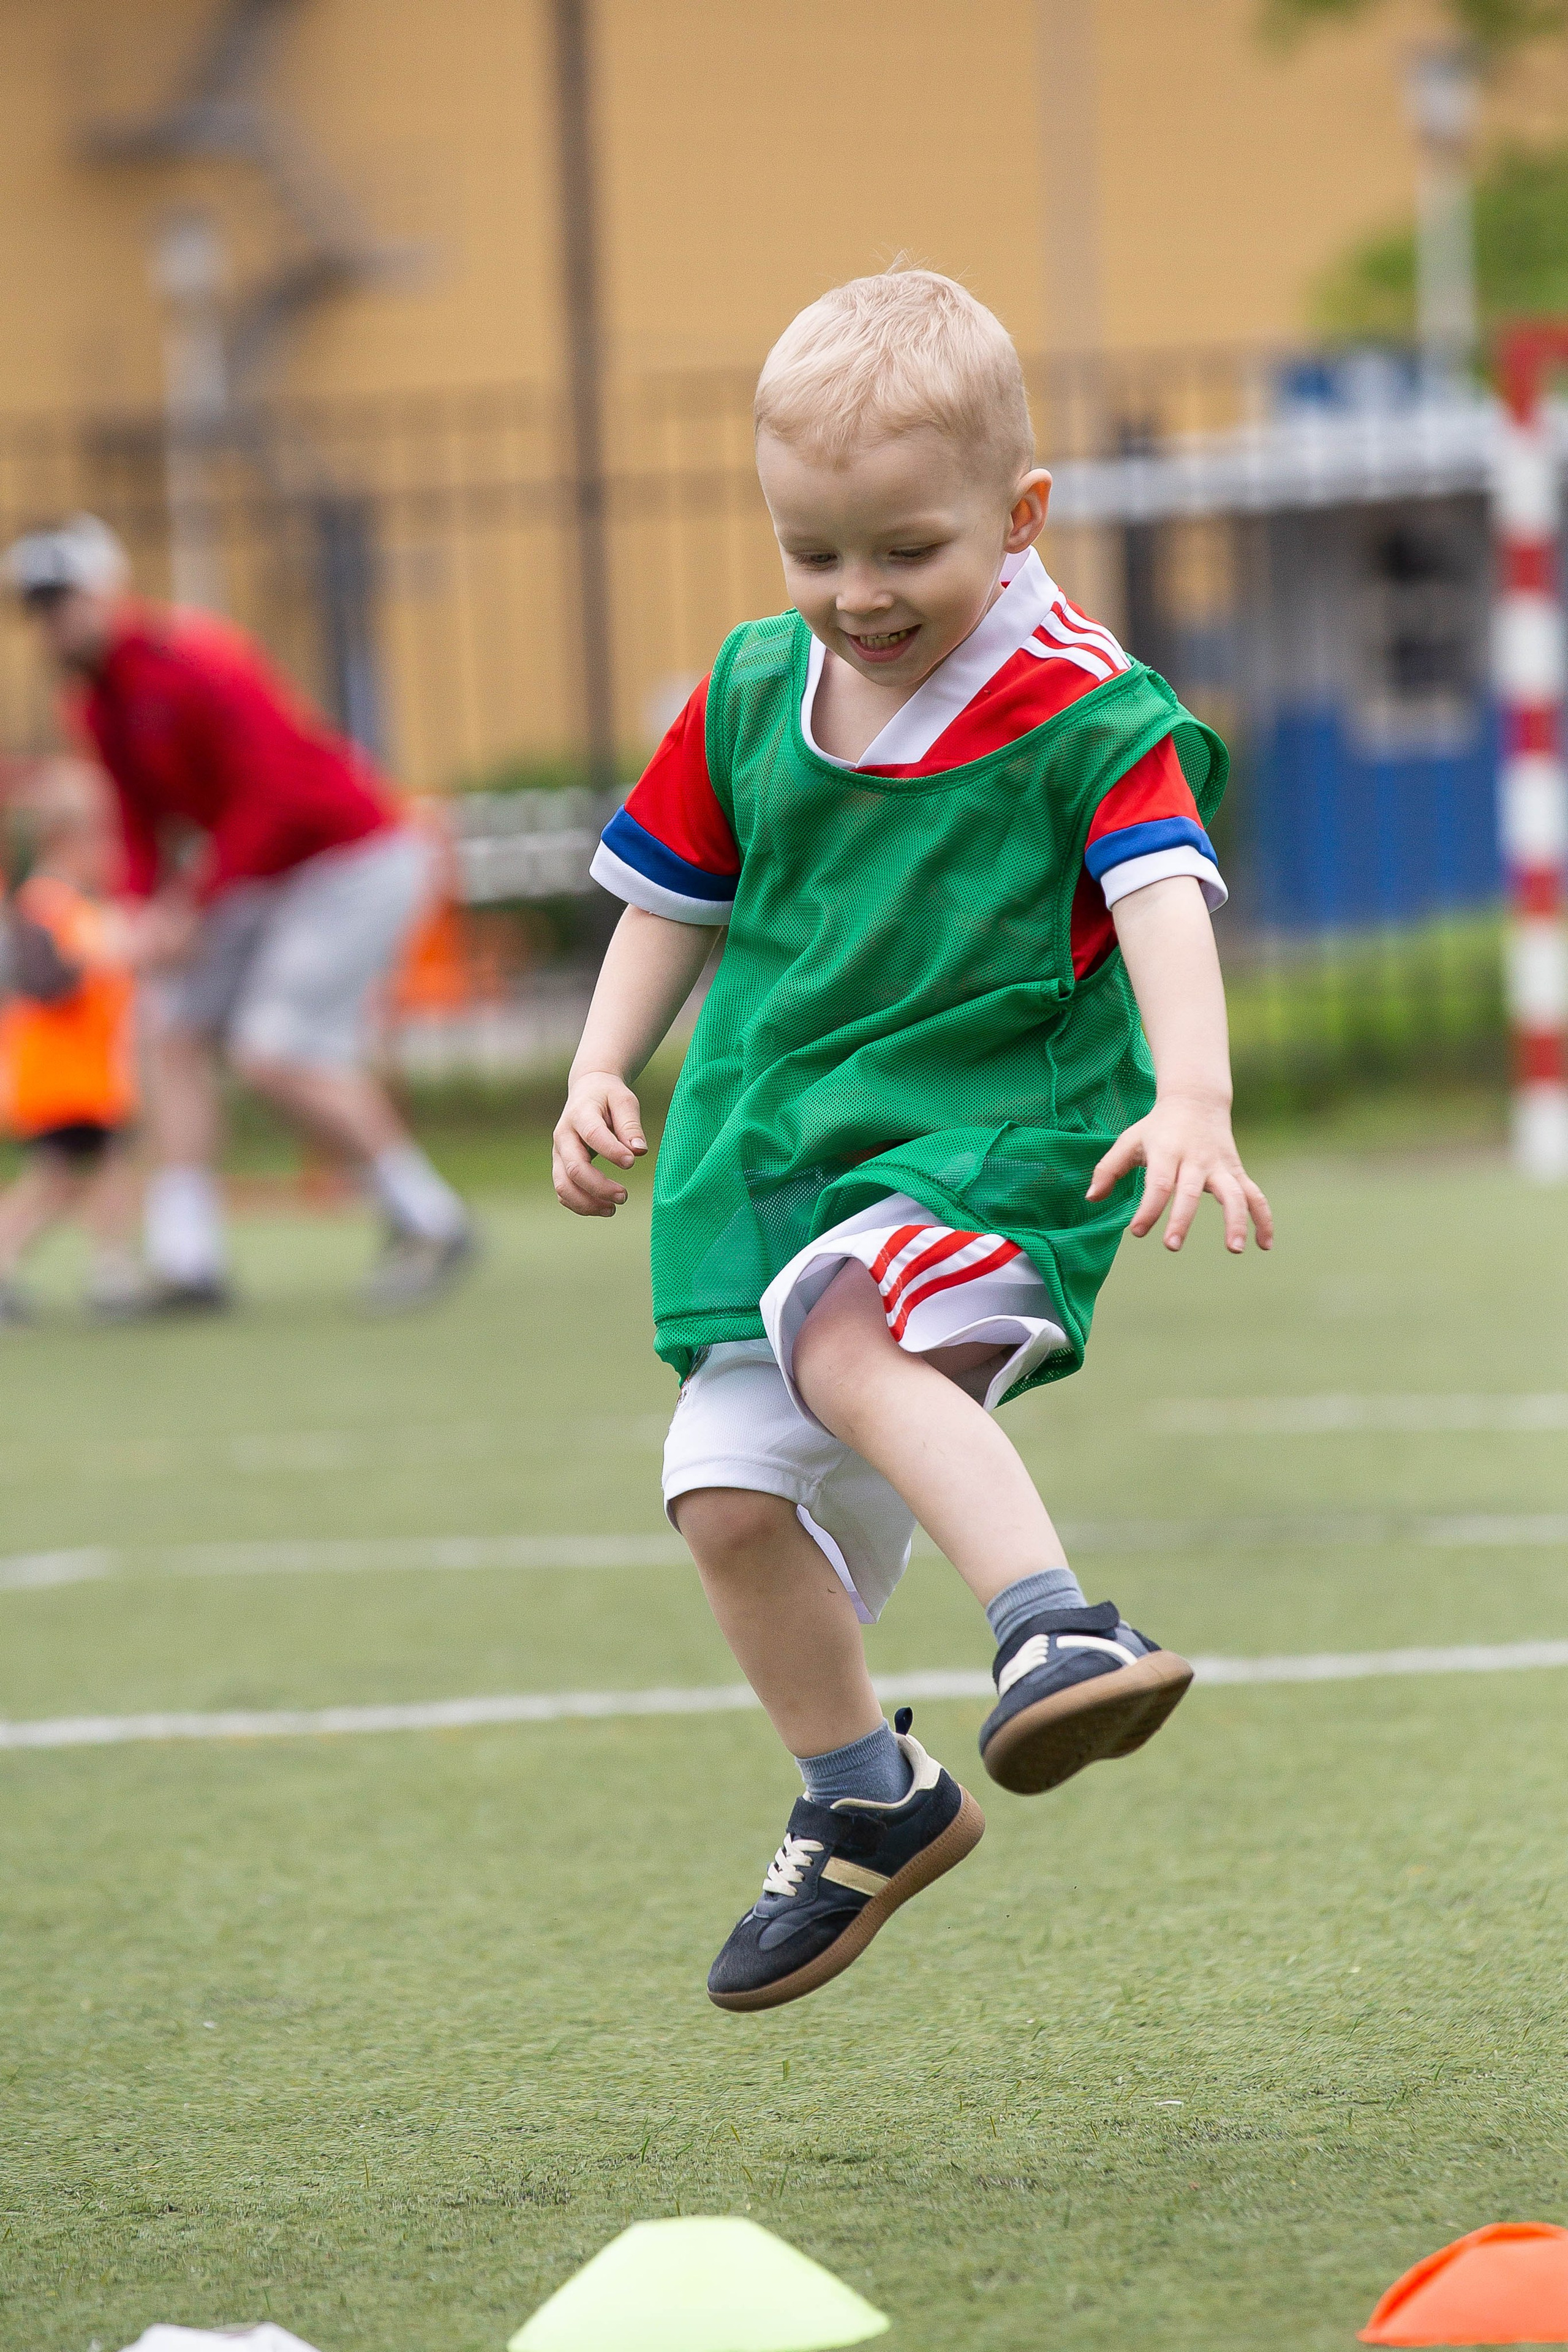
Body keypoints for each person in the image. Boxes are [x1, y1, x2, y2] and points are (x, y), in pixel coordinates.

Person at [554, 267, 1273, 2015]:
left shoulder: (1081, 702)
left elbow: (1162, 890)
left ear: (1021, 517)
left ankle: (1055, 1623)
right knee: (719, 1496)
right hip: (779, 1158)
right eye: (816, 555)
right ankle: (862, 1793)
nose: (858, 598)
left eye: (907, 552)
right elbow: (674, 896)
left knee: (851, 1324)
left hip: (995, 1143)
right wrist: (596, 1062)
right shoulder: (749, 692)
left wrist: (1196, 1091)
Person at [2, 515, 473, 1311]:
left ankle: (431, 1217)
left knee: (276, 1049)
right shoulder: (93, 705)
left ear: (108, 591)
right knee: (168, 1027)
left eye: (65, 599)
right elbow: (139, 821)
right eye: (38, 606)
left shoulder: (197, 660)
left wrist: (195, 902)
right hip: (259, 876)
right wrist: (144, 910)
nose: (55, 621)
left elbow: (278, 798)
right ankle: (190, 1261)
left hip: (351, 858)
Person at [0, 761, 146, 1321]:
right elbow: (41, 982)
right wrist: (93, 957)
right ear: (69, 838)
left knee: (87, 1175)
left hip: (94, 1073)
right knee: (62, 1180)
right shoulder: (43, 904)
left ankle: (110, 1264)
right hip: (59, 1076)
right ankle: (109, 1268)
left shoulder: (85, 907)